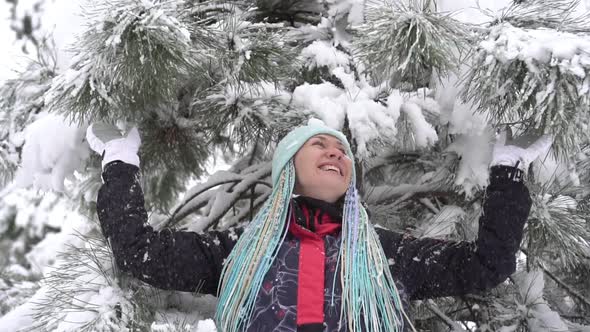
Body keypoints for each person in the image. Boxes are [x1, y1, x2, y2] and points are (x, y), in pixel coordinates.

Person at [86, 121, 551, 332]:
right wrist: (121, 157)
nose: (335, 152)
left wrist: (508, 168)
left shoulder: (384, 257)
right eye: (320, 145)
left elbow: (487, 264)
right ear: (289, 164)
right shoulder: (239, 253)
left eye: (342, 149)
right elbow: (137, 251)